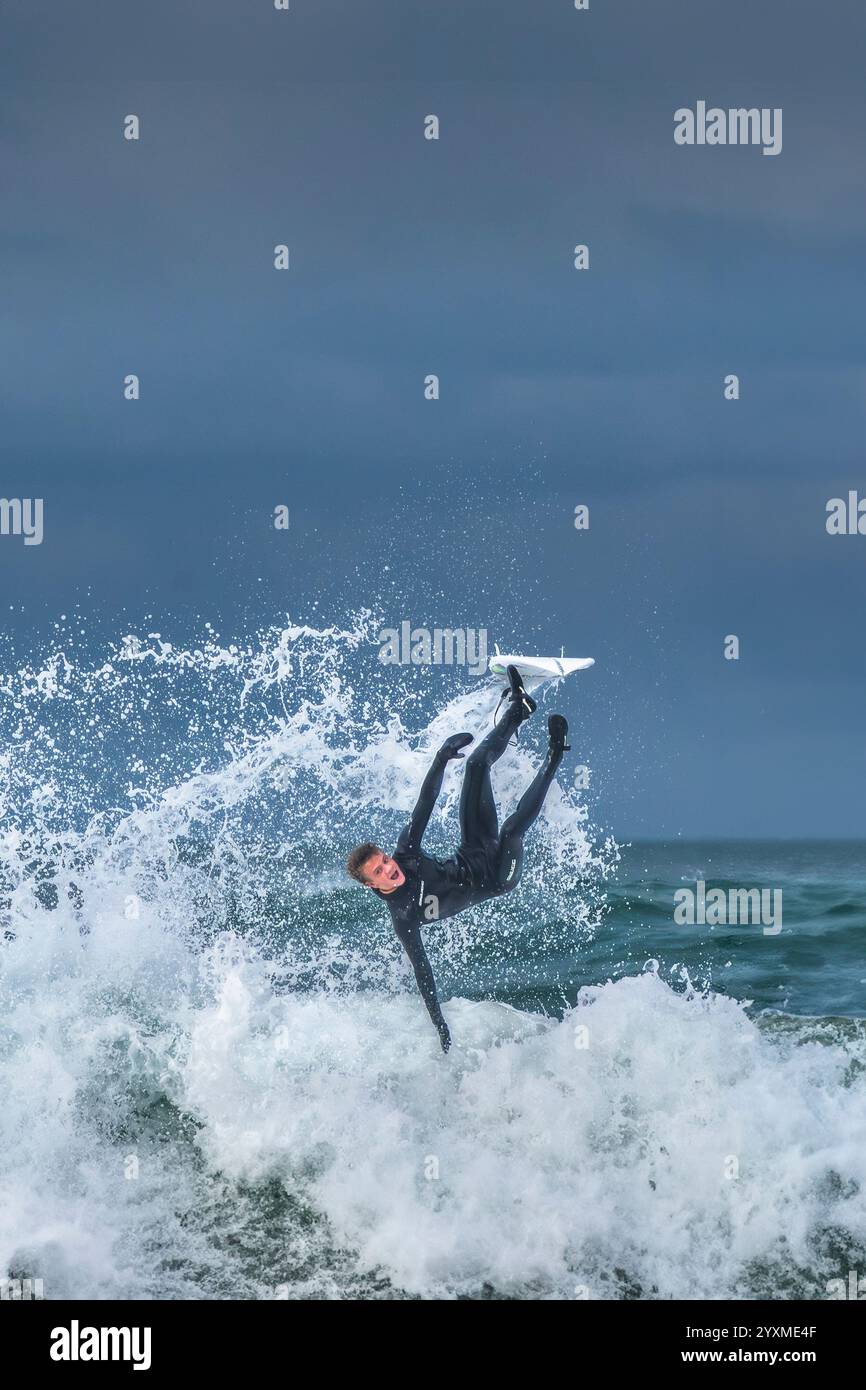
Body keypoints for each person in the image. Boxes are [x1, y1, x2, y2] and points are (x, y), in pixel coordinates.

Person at [346, 666, 571, 1051]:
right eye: (381, 871)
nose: (391, 868)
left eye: (385, 860)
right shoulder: (403, 917)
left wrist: (440, 758)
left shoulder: (406, 852)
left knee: (476, 765)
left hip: (475, 850)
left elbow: (425, 802)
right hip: (498, 878)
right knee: (514, 830)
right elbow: (423, 975)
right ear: (372, 885)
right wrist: (441, 1028)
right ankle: (556, 753)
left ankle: (520, 707)